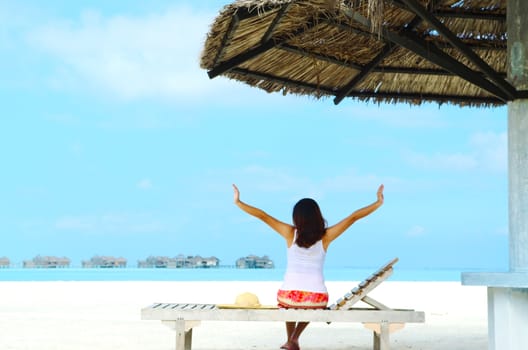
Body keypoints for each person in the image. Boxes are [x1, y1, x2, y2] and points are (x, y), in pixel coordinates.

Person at [232, 184, 385, 350]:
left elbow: (263, 216)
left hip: (288, 296)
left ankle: (292, 339)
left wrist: (238, 202)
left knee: (287, 305)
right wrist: (377, 203)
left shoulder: (289, 233)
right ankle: (294, 339)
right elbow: (353, 218)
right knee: (308, 303)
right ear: (317, 216)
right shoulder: (326, 236)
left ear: (296, 217)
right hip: (316, 298)